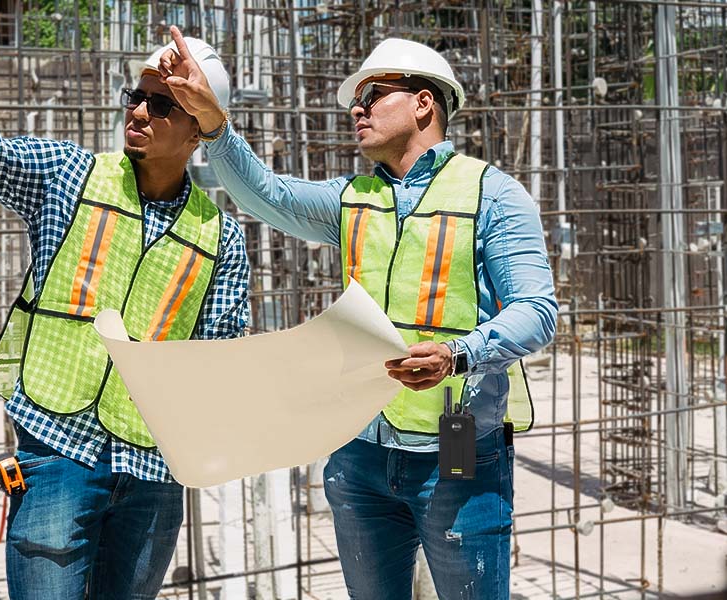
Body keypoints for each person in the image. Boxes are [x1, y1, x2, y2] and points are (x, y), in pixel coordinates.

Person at [0, 4, 249, 598]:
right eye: (136, 95)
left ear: (198, 129)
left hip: (155, 473)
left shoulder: (221, 235)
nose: (138, 111)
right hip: (58, 453)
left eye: (162, 105)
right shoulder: (66, 176)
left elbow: (221, 359)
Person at [159, 26, 558, 600]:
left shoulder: (491, 194)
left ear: (424, 103)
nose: (357, 107)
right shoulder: (352, 198)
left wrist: (457, 353)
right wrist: (216, 126)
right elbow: (268, 195)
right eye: (355, 100)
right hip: (359, 448)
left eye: (372, 95)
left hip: (459, 445)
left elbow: (536, 310)